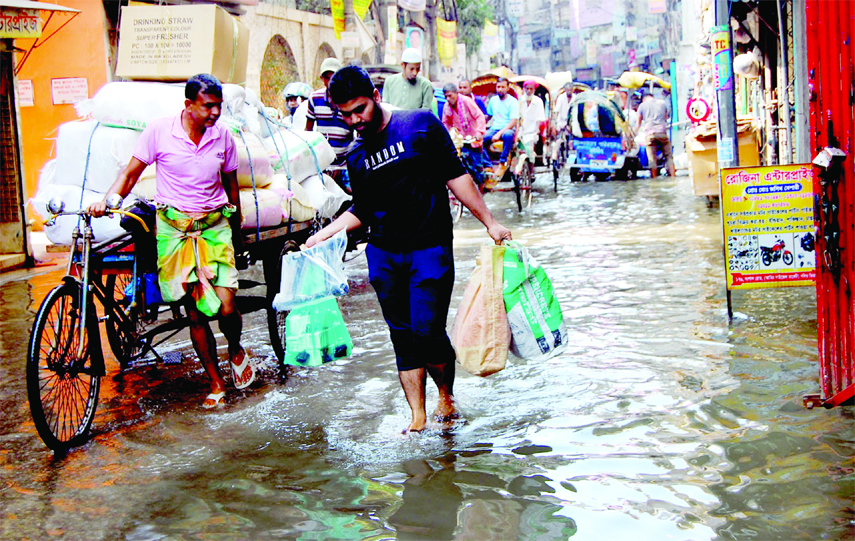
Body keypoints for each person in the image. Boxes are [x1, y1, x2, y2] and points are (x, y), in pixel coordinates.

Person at [305, 66, 512, 433]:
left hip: (429, 247)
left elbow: (456, 175)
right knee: (401, 334)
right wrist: (325, 234)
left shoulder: (420, 124)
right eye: (346, 114)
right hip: (384, 254)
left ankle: (445, 395)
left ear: (376, 97)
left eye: (360, 109)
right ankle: (417, 416)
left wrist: (490, 223)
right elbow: (362, 210)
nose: (355, 120)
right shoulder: (355, 155)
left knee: (427, 330)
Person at [88, 74, 254, 409]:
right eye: (208, 106)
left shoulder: (223, 135)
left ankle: (235, 347)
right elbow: (130, 174)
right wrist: (107, 200)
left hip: (214, 227)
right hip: (174, 231)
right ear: (189, 105)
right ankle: (215, 382)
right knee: (195, 314)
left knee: (225, 305)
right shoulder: (159, 131)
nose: (215, 113)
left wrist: (237, 229)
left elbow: (231, 184)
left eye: (219, 106)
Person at [305, 57, 354, 167]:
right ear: (322, 78)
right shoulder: (314, 99)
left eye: (334, 77)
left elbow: (357, 134)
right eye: (327, 78)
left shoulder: (350, 100)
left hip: (345, 164)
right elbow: (308, 131)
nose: (331, 82)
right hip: (322, 163)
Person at [441, 82, 487, 186]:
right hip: (460, 141)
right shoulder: (447, 106)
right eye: (446, 97)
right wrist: (449, 135)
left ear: (456, 93)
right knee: (463, 168)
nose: (448, 99)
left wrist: (479, 132)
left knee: (478, 167)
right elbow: (446, 123)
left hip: (474, 139)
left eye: (450, 96)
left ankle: (481, 189)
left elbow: (479, 116)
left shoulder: (466, 101)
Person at [484, 77, 520, 179]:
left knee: (507, 135)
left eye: (503, 87)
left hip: (508, 128)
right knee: (480, 139)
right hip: (495, 127)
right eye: (498, 87)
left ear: (507, 88)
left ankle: (502, 162)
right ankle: (487, 165)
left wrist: (499, 134)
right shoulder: (493, 100)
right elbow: (488, 116)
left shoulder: (513, 102)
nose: (500, 89)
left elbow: (513, 121)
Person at [636, 90, 675, 177]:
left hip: (650, 135)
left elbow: (638, 123)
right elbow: (666, 118)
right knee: (669, 156)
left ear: (644, 99)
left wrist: (633, 136)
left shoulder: (642, 106)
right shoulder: (662, 103)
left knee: (652, 159)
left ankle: (653, 180)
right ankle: (673, 177)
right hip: (662, 133)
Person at [519, 80, 546, 159]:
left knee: (529, 150)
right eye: (527, 88)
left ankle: (530, 164)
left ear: (534, 90)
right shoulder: (519, 100)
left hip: (532, 133)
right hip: (519, 132)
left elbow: (540, 117)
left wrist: (537, 129)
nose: (529, 91)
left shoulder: (538, 101)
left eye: (531, 89)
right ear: (524, 89)